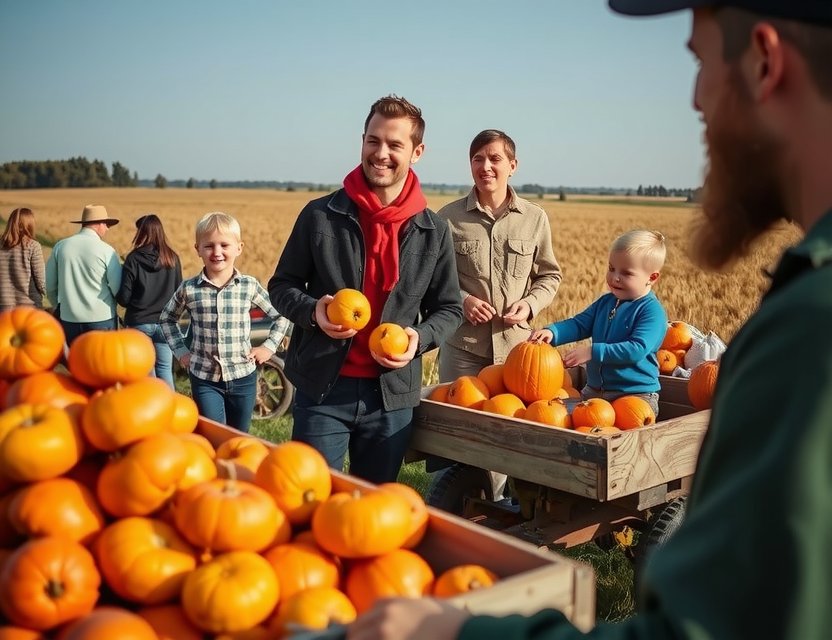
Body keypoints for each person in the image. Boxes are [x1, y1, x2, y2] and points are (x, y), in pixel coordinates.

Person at [347, 2, 832, 639]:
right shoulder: (801, 308)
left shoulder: (808, 329)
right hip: (492, 362)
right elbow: (576, 317)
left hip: (612, 397)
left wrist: (454, 632)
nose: (693, 97)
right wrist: (558, 334)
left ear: (766, 61)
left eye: (700, 62)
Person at [268, 95, 463, 485]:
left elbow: (449, 308)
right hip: (323, 389)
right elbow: (281, 285)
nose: (381, 153)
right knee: (306, 497)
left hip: (390, 398)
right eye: (373, 141)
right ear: (362, 140)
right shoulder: (320, 215)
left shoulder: (433, 230)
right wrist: (313, 311)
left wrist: (418, 337)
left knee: (372, 512)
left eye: (395, 144)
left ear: (417, 151)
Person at [436, 129, 562, 500]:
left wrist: (530, 304)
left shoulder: (534, 219)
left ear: (512, 166)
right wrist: (462, 300)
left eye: (494, 159)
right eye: (478, 159)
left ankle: (507, 513)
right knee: (458, 442)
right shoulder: (448, 218)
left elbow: (550, 275)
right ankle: (457, 508)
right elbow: (435, 279)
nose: (485, 166)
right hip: (463, 349)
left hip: (517, 356)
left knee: (511, 442)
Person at [160, 212, 290, 432]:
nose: (217, 252)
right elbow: (167, 319)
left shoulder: (248, 286)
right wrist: (181, 351)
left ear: (238, 248)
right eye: (209, 246)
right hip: (205, 379)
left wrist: (268, 348)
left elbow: (281, 315)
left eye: (224, 245)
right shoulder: (189, 288)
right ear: (198, 249)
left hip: (243, 377)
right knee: (214, 434)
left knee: (239, 437)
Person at [529, 229, 667, 417]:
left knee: (615, 438)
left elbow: (637, 349)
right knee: (561, 418)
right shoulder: (606, 302)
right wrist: (553, 332)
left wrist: (592, 352)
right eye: (611, 269)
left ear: (652, 278)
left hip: (635, 396)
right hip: (594, 392)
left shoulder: (651, 312)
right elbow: (579, 324)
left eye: (626, 273)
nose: (615, 277)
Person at [116, 214, 183, 388]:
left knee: (146, 369)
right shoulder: (173, 258)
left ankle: (153, 407)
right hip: (166, 324)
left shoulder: (133, 259)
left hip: (139, 323)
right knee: (165, 369)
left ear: (142, 232)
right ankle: (170, 409)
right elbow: (179, 295)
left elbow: (124, 298)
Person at [45, 204, 122, 345]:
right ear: (98, 223)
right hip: (102, 318)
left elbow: (49, 285)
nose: (107, 228)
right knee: (101, 365)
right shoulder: (107, 250)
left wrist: (58, 306)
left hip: (69, 318)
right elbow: (117, 288)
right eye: (106, 224)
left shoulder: (60, 246)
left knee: (75, 365)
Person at [0, 207, 46, 311]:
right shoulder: (33, 246)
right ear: (30, 224)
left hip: (3, 309)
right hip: (29, 308)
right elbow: (41, 281)